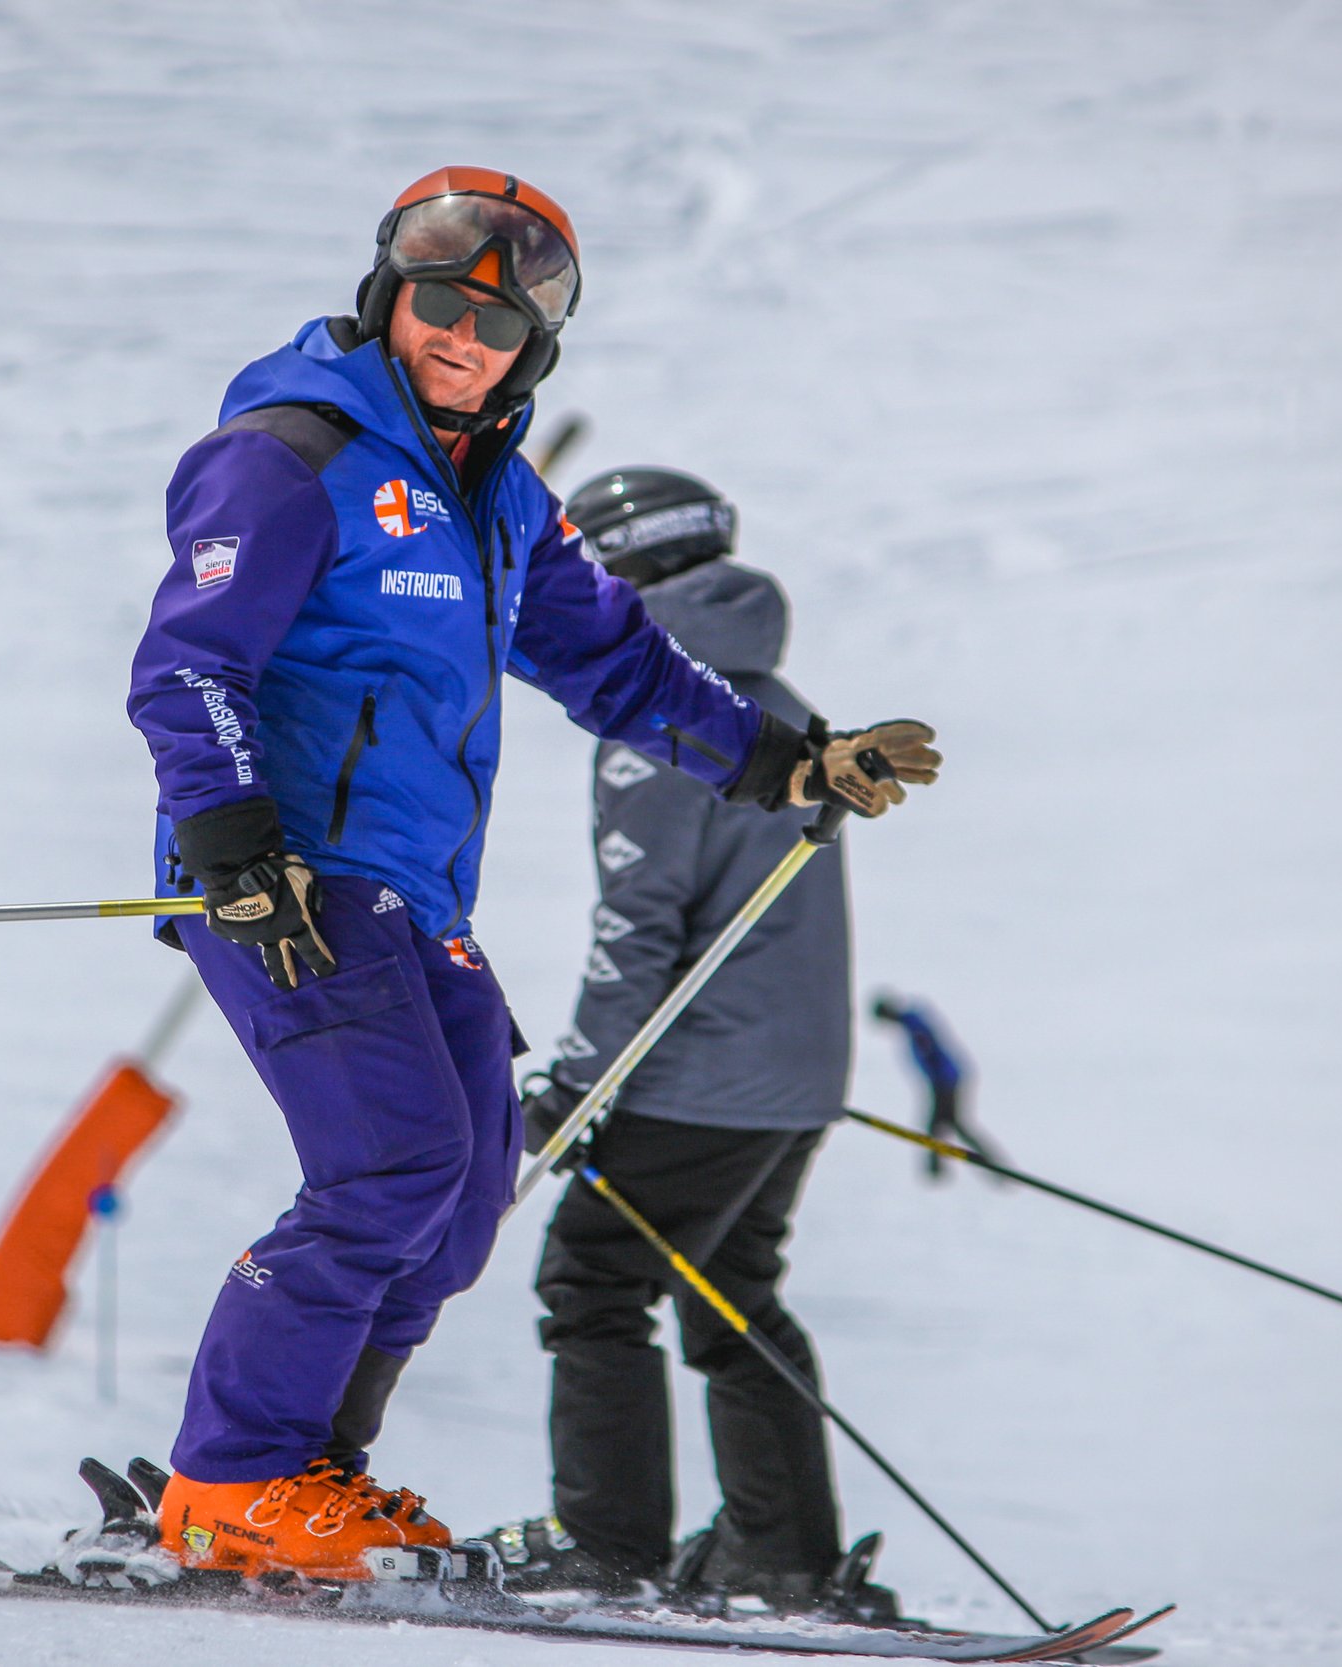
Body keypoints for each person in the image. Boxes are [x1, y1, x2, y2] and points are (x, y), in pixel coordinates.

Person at [125, 170, 939, 1585]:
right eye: (441, 304)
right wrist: (232, 844)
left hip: (411, 894)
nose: (463, 338)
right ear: (391, 297)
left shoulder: (499, 496)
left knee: (466, 1187)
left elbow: (617, 661)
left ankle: (312, 1466)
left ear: (534, 350)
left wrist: (792, 761)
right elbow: (190, 662)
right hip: (291, 879)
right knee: (390, 1164)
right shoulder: (291, 450)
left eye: (498, 324)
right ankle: (230, 1479)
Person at [482, 467, 914, 1616]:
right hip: (790, 1076)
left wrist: (574, 1085)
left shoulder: (667, 723)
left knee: (593, 1277)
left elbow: (639, 926)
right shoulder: (778, 706)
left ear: (620, 571)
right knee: (730, 1288)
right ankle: (780, 1550)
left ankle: (606, 1540)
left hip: (699, 1075)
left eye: (576, 570)